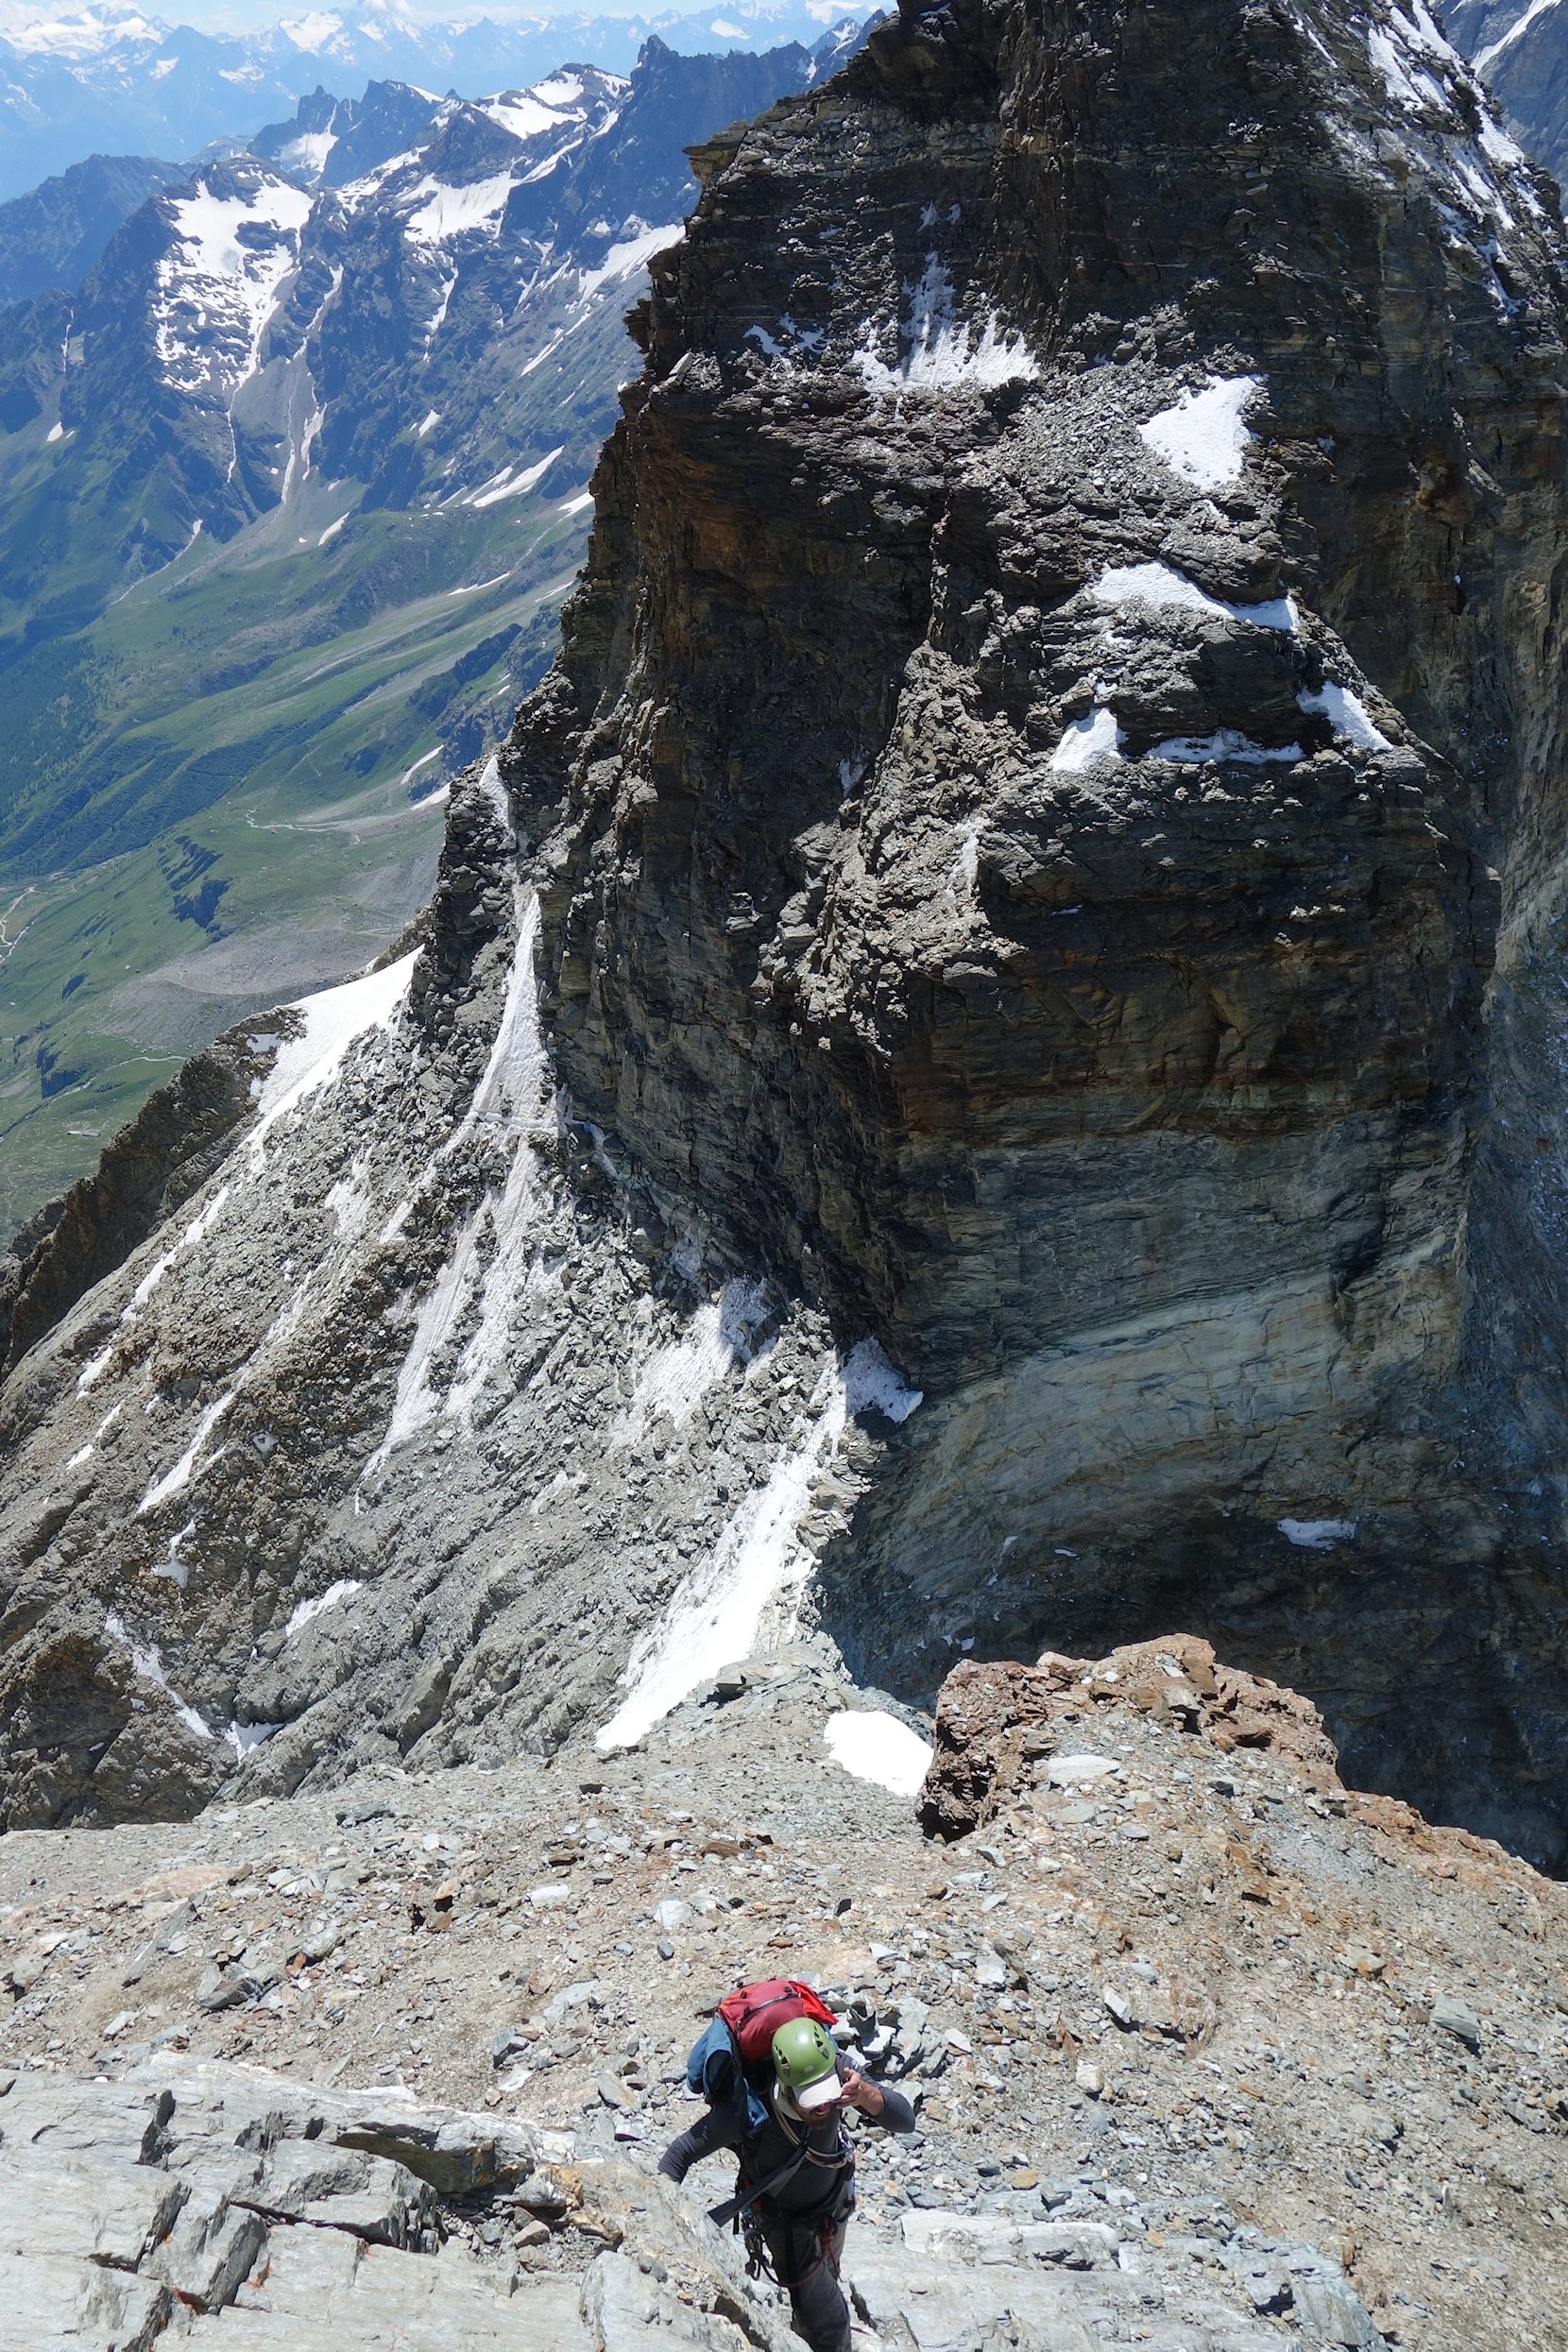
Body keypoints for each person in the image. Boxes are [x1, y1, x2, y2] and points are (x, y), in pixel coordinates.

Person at [658, 2014, 916, 2352]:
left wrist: (867, 2094)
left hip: (835, 2202)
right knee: (832, 2326)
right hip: (786, 2227)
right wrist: (656, 2227)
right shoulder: (747, 2109)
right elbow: (678, 2156)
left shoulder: (838, 2069)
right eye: (812, 2100)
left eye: (827, 2095)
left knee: (824, 2287)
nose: (824, 2106)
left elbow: (905, 2120)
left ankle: (802, 2324)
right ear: (785, 2086)